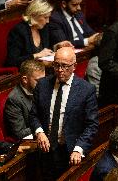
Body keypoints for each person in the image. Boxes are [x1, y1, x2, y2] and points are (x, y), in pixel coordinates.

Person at [29, 47, 98, 180]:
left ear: (74, 66)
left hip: (71, 152)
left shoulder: (86, 90)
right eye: (56, 65)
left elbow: (92, 125)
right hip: (46, 151)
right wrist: (39, 132)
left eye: (65, 66)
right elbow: (33, 114)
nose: (60, 70)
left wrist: (79, 149)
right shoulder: (42, 85)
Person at [6, 0, 72, 68]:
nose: (48, 21)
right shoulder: (19, 31)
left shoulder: (44, 28)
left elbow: (46, 51)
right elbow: (12, 61)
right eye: (45, 17)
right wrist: (36, 55)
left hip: (44, 69)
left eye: (48, 17)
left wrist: (57, 46)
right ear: (34, 15)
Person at [4, 60, 45, 140]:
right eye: (39, 81)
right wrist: (42, 127)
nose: (43, 84)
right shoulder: (14, 99)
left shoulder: (41, 89)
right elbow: (19, 133)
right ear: (25, 79)